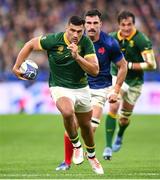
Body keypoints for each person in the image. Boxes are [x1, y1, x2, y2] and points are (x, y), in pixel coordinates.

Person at [12, 15, 105, 175]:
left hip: (82, 88)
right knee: (67, 112)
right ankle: (76, 146)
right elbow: (30, 44)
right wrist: (17, 66)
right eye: (72, 30)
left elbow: (95, 70)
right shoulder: (54, 40)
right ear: (66, 28)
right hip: (59, 87)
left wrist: (77, 57)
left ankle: (92, 156)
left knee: (86, 127)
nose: (75, 35)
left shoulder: (86, 43)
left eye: (79, 31)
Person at [55, 9, 127, 171]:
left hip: (100, 89)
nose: (91, 26)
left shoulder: (109, 43)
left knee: (89, 126)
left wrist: (116, 90)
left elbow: (122, 66)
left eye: (95, 23)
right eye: (88, 23)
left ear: (101, 24)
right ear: (84, 24)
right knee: (71, 125)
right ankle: (67, 162)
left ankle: (90, 156)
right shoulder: (76, 40)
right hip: (80, 87)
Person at [103, 10, 157, 158]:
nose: (126, 28)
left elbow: (152, 65)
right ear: (119, 25)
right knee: (113, 106)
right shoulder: (112, 38)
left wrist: (130, 65)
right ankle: (107, 147)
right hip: (117, 76)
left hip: (135, 82)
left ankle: (120, 135)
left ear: (134, 24)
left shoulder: (142, 40)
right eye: (123, 25)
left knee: (124, 118)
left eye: (129, 25)